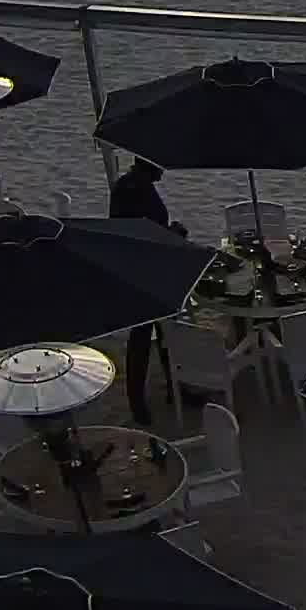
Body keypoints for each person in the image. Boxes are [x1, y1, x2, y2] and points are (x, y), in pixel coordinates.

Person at [108, 160, 195, 420]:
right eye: (160, 166)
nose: (164, 170)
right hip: (145, 272)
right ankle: (139, 400)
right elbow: (144, 234)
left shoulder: (131, 186)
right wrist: (174, 233)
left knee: (161, 332)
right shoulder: (136, 190)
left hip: (142, 270)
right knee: (144, 337)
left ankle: (171, 386)